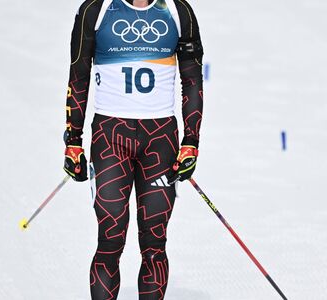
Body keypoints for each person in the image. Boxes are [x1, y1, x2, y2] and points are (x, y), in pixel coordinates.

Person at [62, 0, 204, 298]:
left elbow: (192, 80)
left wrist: (191, 141)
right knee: (110, 240)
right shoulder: (96, 9)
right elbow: (78, 75)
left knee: (154, 244)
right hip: (110, 139)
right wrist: (73, 140)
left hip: (160, 141)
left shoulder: (178, 11)